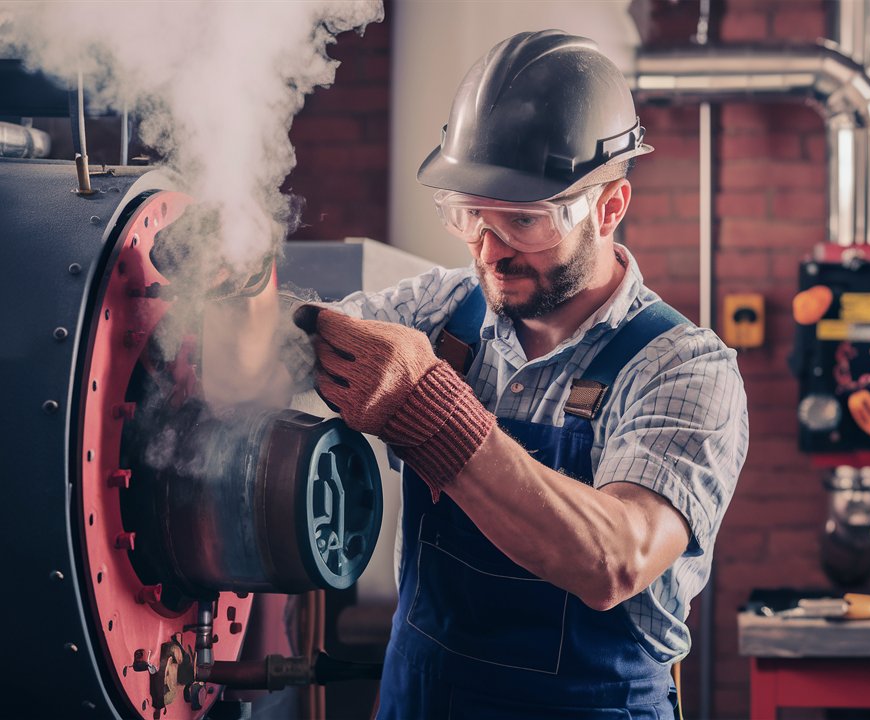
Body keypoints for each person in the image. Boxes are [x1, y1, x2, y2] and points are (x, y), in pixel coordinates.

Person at [287, 30, 748, 719]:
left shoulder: (682, 368)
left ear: (610, 207)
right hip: (425, 699)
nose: (490, 249)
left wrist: (435, 414)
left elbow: (614, 559)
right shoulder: (438, 311)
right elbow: (287, 351)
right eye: (470, 215)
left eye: (525, 221)